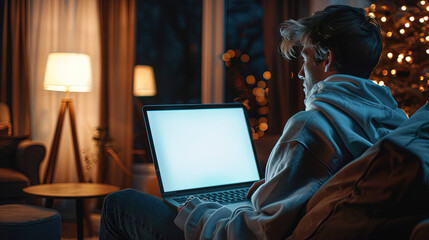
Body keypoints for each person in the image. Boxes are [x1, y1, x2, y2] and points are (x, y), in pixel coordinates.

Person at [99, 5, 408, 240]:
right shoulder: (393, 124)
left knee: (120, 202)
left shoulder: (312, 126)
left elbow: (261, 231)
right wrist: (267, 193)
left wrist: (195, 209)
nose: (301, 74)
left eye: (305, 59)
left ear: (325, 60)